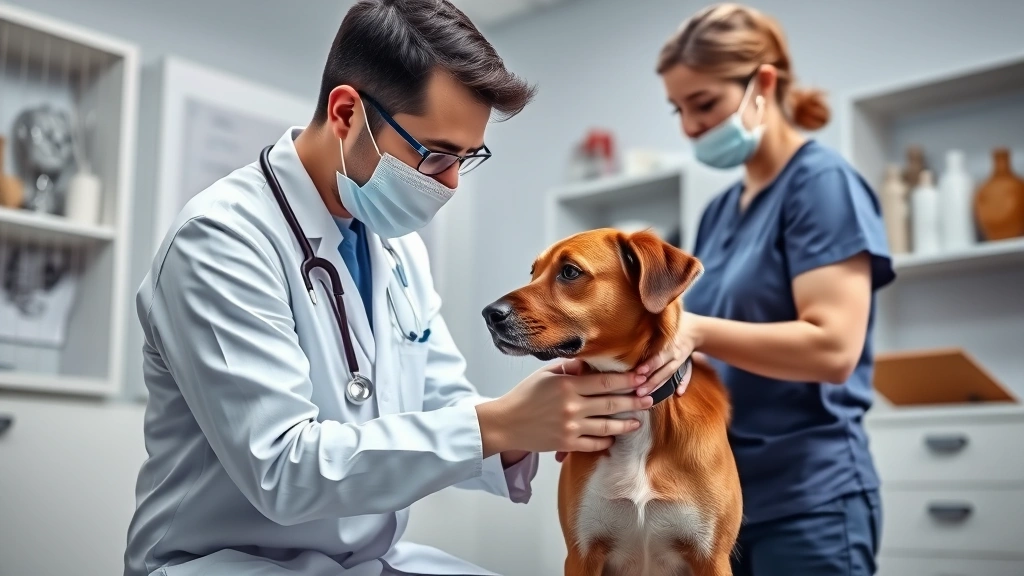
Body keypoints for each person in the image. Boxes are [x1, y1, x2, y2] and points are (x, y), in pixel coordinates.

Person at [122, 1, 694, 575]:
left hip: (365, 561)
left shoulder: (394, 248)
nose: (449, 185)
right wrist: (499, 423)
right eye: (436, 155)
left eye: (466, 159)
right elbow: (283, 469)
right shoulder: (221, 239)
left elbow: (443, 405)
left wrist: (537, 425)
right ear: (347, 113)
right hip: (226, 564)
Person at [636, 3, 897, 575]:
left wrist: (696, 330)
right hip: (721, 492)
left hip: (810, 500)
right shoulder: (719, 212)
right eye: (678, 110)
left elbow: (833, 351)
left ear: (764, 83)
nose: (689, 127)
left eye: (703, 104)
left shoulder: (822, 185)